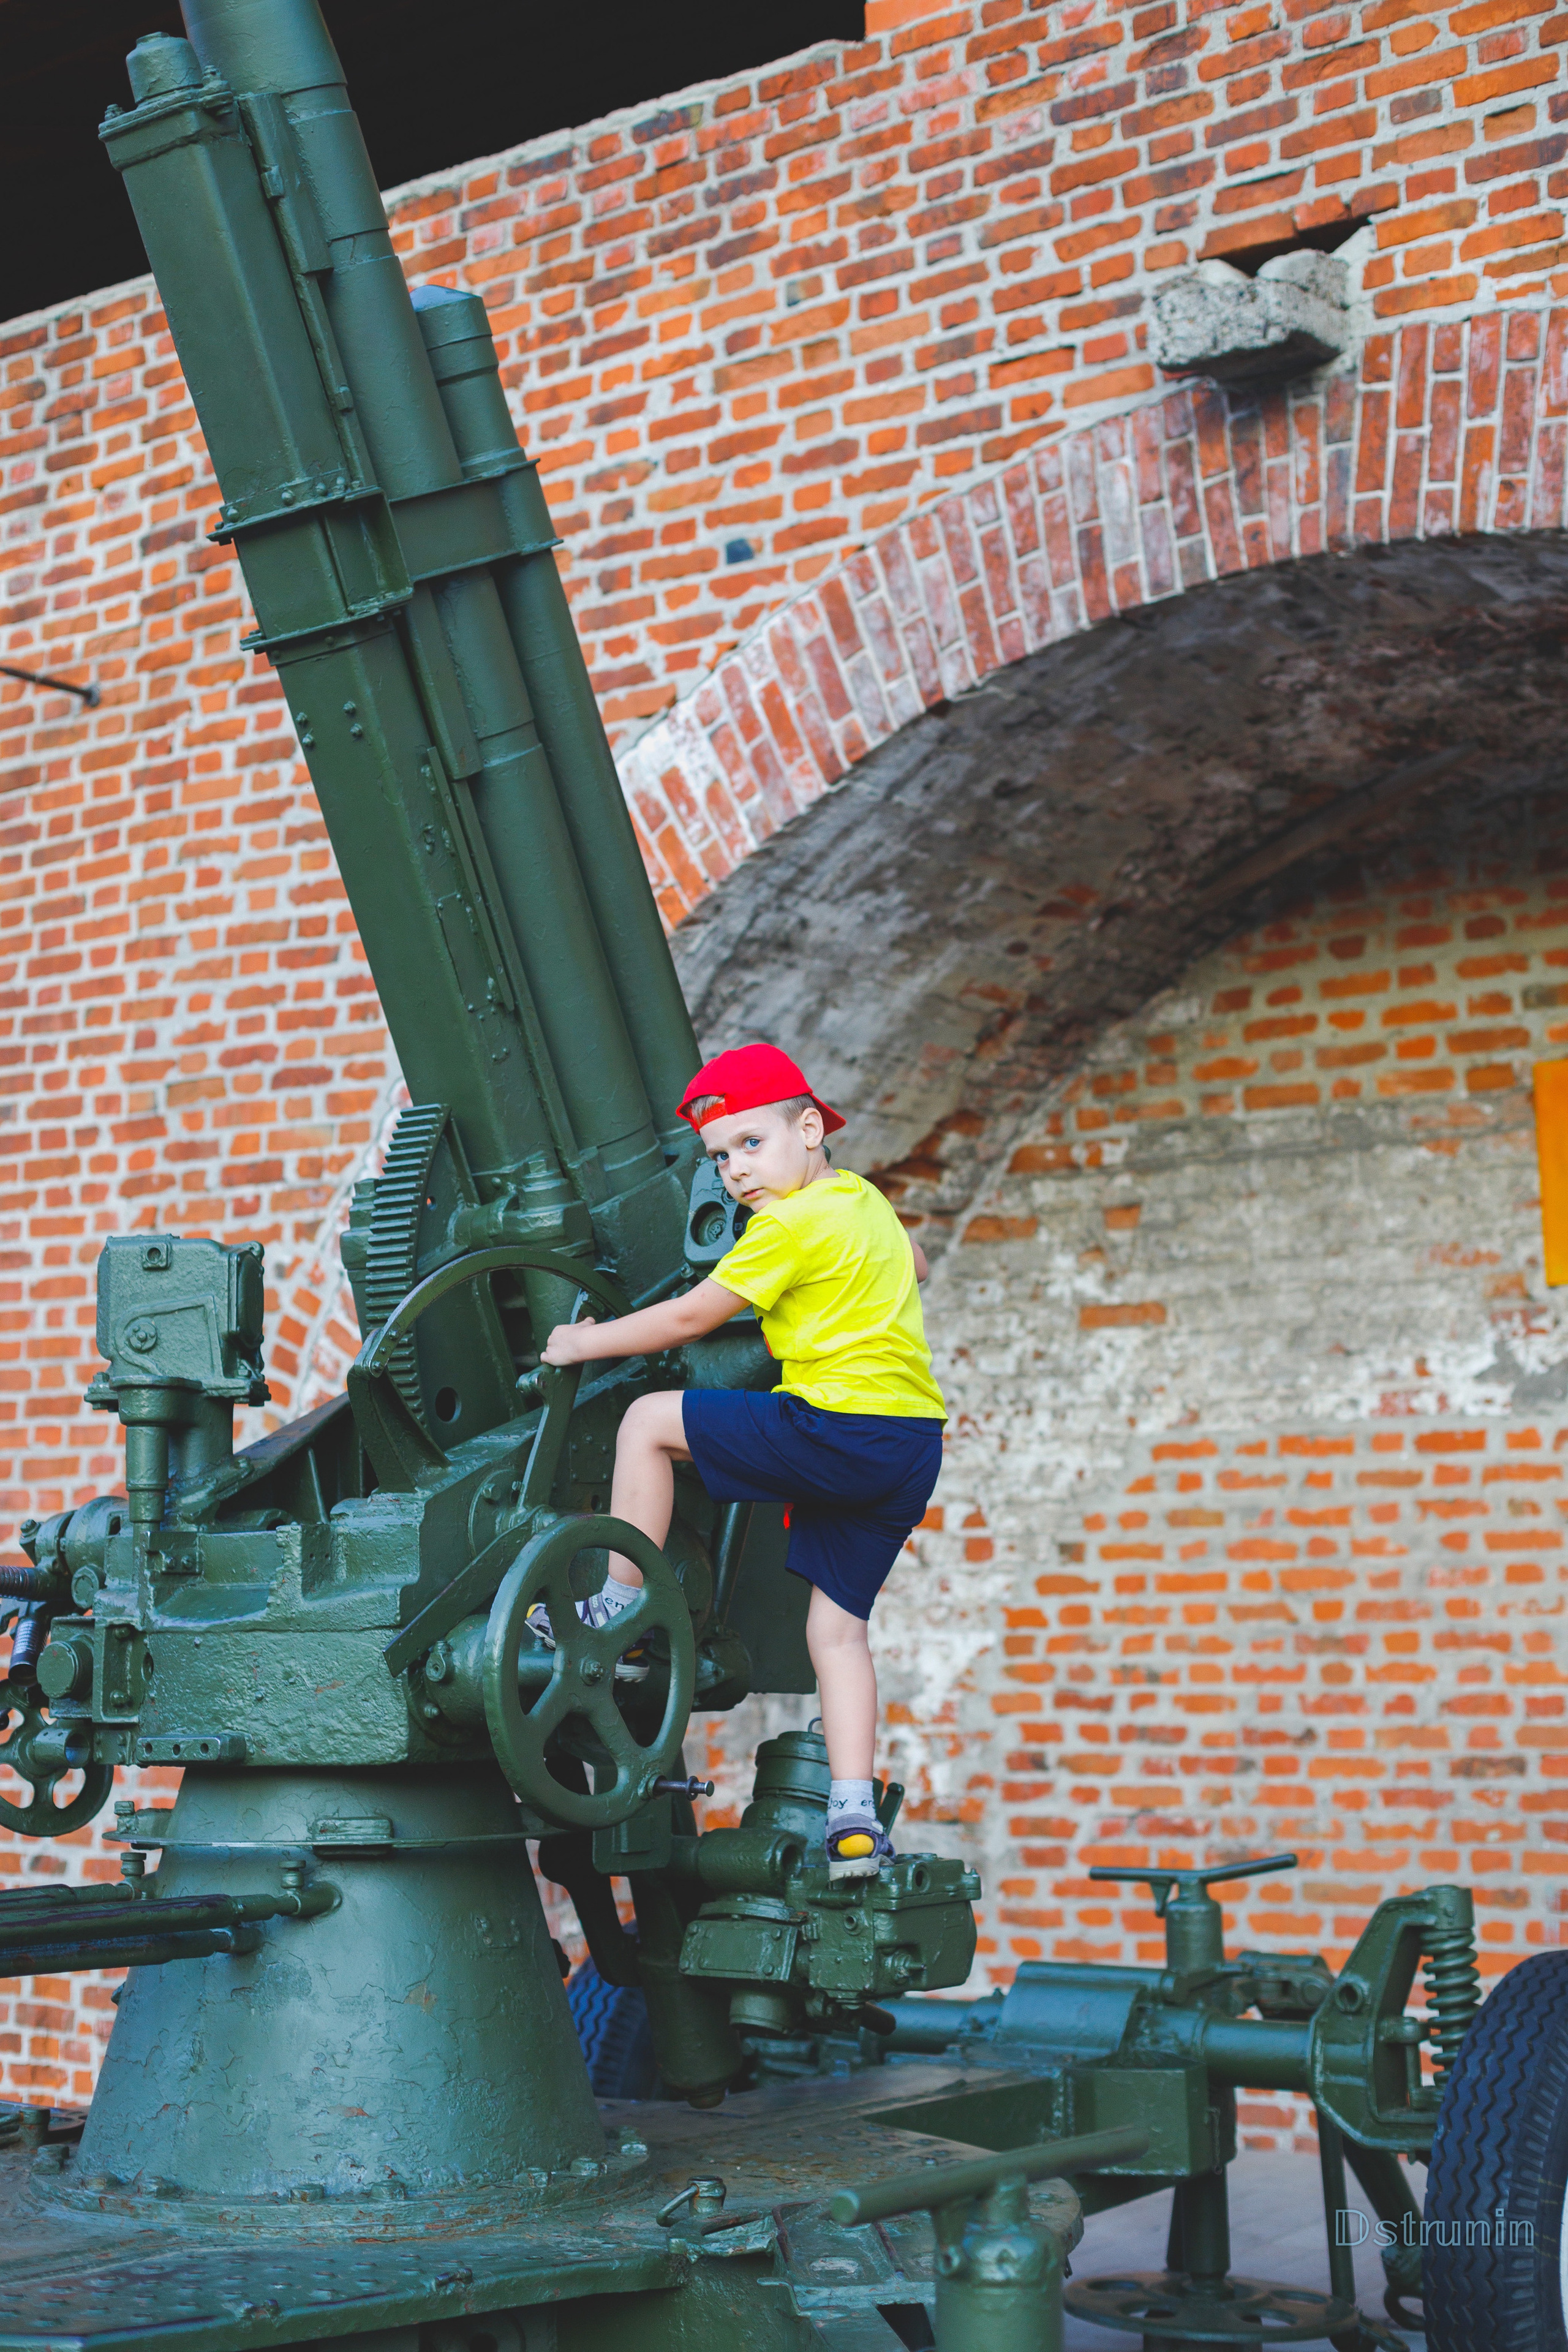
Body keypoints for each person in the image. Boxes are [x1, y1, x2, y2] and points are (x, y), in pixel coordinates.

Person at [532, 1042, 947, 1881]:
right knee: (837, 1634)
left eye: (751, 1145)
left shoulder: (788, 1227)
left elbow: (689, 1321)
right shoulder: (860, 1197)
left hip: (836, 1428)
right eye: (720, 1157)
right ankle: (855, 1818)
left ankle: (615, 1606)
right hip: (908, 1446)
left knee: (649, 1421)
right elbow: (918, 1265)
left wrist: (582, 1342)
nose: (735, 1173)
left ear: (807, 1128)